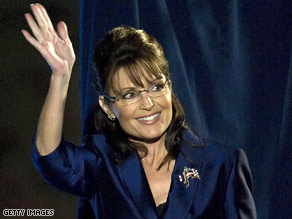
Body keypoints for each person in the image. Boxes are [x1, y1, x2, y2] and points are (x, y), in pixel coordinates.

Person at [22, 3, 257, 219]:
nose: (148, 103)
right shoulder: (102, 163)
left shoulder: (222, 164)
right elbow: (50, 158)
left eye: (155, 87)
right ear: (108, 106)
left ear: (170, 86)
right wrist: (60, 76)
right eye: (129, 95)